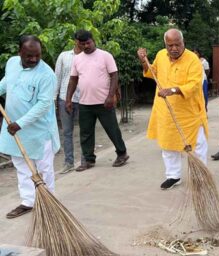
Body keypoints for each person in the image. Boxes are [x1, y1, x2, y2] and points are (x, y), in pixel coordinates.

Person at [137, 29, 208, 190]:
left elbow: (195, 84)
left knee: (198, 145)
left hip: (189, 112)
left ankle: (201, 175)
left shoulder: (193, 60)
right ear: (165, 45)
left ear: (183, 43)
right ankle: (173, 176)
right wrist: (143, 60)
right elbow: (151, 71)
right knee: (167, 144)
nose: (174, 48)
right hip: (166, 110)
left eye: (178, 44)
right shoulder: (161, 55)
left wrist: (173, 90)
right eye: (170, 45)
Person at [0, 35, 60, 219]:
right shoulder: (11, 63)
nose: (33, 59)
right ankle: (28, 202)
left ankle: (49, 203)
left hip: (38, 130)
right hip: (13, 127)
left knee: (44, 168)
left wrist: (20, 123)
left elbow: (43, 105)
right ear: (20, 52)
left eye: (37, 55)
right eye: (29, 56)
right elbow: (6, 83)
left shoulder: (46, 75)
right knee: (21, 165)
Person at [66, 30, 129, 171]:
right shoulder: (77, 59)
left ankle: (122, 154)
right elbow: (73, 79)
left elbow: (114, 76)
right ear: (78, 44)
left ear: (93, 40)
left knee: (112, 130)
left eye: (88, 43)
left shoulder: (105, 56)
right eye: (82, 44)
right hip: (84, 103)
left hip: (104, 102)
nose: (86, 46)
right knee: (86, 132)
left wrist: (110, 96)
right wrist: (68, 99)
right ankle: (88, 160)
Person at [55, 34, 85, 174]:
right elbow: (58, 77)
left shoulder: (89, 57)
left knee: (85, 131)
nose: (82, 43)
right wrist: (54, 99)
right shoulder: (64, 56)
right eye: (80, 41)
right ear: (75, 41)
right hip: (64, 98)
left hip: (84, 99)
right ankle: (69, 162)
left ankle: (86, 160)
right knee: (67, 132)